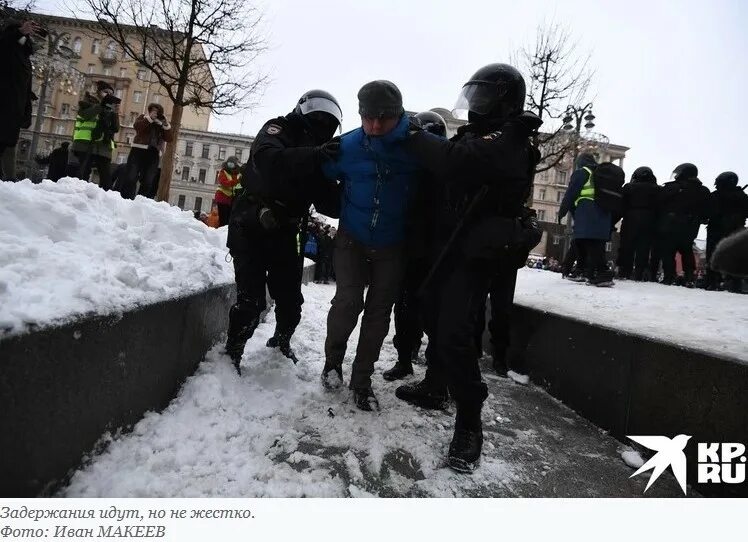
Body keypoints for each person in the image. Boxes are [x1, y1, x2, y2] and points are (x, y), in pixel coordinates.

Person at [395, 63, 542, 472]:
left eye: (482, 97)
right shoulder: (483, 134)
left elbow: (455, 161)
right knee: (429, 314)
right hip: (448, 247)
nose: (474, 104)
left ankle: (469, 421)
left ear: (505, 99)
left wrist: (411, 135)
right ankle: (435, 386)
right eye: (472, 96)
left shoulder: (510, 139)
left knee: (457, 334)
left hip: (474, 255)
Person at [320, 80, 422, 411]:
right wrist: (330, 204)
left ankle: (361, 381)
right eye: (368, 117)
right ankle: (332, 363)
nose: (375, 125)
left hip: (394, 245)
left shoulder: (418, 147)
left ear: (399, 114)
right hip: (352, 238)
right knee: (348, 302)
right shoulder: (347, 146)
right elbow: (317, 172)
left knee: (378, 314)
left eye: (384, 118)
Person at [225, 89, 343, 374]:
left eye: (328, 124)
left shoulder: (319, 155)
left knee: (291, 302)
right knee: (250, 301)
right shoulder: (279, 129)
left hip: (288, 233)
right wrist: (315, 156)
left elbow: (331, 203)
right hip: (252, 223)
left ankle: (280, 343)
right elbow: (267, 159)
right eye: (318, 119)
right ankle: (232, 353)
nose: (322, 127)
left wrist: (353, 183)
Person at [384, 110, 446, 382]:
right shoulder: (408, 167)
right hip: (411, 249)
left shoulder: (446, 169)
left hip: (434, 253)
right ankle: (405, 358)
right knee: (406, 307)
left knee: (430, 312)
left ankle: (433, 370)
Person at [558, 153, 615, 286]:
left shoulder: (582, 173)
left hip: (588, 210)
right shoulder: (600, 174)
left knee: (588, 241)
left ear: (580, 163)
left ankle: (603, 273)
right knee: (585, 241)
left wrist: (562, 211)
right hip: (603, 212)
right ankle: (582, 271)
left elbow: (571, 194)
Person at [0, 18, 40, 181]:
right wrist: (19, 32)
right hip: (3, 104)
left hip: (15, 108)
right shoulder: (7, 47)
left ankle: (6, 180)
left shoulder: (24, 56)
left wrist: (26, 111)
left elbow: (26, 87)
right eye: (26, 32)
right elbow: (3, 45)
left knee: (6, 142)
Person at [658, 163, 710, 287]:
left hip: (671, 225)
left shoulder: (672, 187)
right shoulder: (702, 190)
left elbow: (659, 204)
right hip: (690, 226)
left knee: (669, 251)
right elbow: (707, 210)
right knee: (687, 250)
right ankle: (689, 277)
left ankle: (669, 277)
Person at [71, 80, 120, 189]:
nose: (109, 95)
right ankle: (77, 196)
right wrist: (101, 105)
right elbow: (85, 115)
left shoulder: (110, 108)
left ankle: (105, 200)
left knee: (106, 177)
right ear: (99, 92)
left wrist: (115, 113)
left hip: (104, 146)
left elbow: (116, 128)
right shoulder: (87, 101)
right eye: (106, 92)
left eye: (111, 94)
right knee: (83, 174)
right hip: (86, 144)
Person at [705, 172, 748, 292]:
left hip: (717, 229)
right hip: (735, 231)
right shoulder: (742, 196)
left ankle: (713, 282)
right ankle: (735, 283)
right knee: (735, 256)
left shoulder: (716, 196)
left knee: (713, 254)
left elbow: (707, 211)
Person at [121, 103, 172, 199]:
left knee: (148, 181)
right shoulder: (143, 117)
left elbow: (169, 139)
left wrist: (165, 125)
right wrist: (149, 119)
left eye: (157, 112)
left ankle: (141, 201)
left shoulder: (161, 124)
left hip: (153, 154)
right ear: (149, 111)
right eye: (153, 111)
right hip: (138, 150)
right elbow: (137, 126)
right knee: (131, 177)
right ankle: (126, 200)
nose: (155, 113)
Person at [617, 166, 661, 281]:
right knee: (644, 247)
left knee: (627, 246)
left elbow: (621, 205)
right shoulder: (657, 189)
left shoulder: (629, 187)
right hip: (649, 220)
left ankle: (624, 272)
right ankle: (639, 273)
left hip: (630, 218)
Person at [215, 156, 242, 226]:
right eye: (230, 162)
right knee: (223, 219)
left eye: (233, 162)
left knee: (228, 219)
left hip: (230, 199)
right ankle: (221, 233)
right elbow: (225, 183)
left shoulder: (236, 173)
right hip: (222, 197)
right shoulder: (223, 172)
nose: (230, 164)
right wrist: (237, 181)